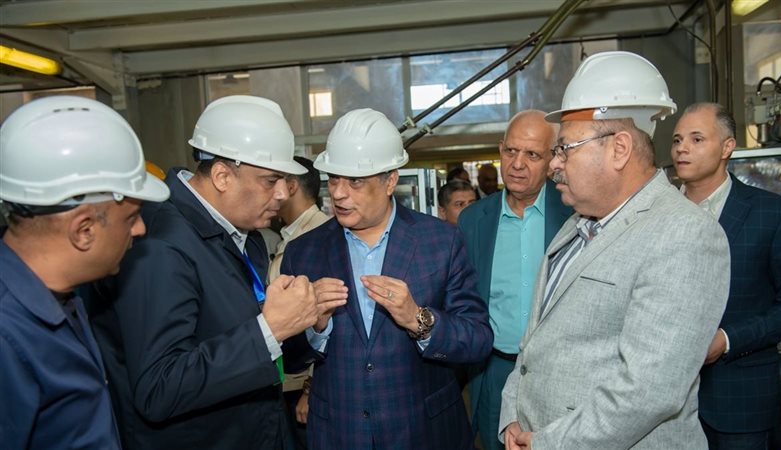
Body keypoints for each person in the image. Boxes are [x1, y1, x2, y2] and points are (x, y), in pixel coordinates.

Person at [499, 51, 730, 449]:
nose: (554, 164)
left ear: (619, 148)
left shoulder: (684, 234)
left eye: (566, 148)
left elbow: (648, 390)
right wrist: (512, 419)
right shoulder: (576, 223)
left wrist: (545, 443)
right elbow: (532, 345)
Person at [88, 95, 339, 449]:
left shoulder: (247, 236)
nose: (283, 193)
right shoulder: (161, 246)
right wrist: (270, 329)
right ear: (222, 176)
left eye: (284, 180)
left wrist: (308, 324)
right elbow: (159, 388)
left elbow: (252, 350)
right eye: (271, 180)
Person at [281, 108, 493, 450]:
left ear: (390, 181)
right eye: (333, 179)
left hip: (424, 433)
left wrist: (418, 319)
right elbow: (289, 357)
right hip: (340, 434)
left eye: (355, 181)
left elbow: (478, 338)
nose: (338, 193)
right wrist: (315, 328)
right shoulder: (304, 252)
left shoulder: (440, 242)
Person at [0, 96, 170, 449]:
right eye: (131, 217)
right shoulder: (9, 337)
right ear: (84, 230)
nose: (140, 229)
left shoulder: (63, 299)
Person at [671, 102, 781, 449]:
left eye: (697, 139)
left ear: (727, 146)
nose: (682, 148)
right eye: (677, 140)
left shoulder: (773, 214)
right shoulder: (654, 214)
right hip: (664, 405)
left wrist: (728, 340)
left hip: (740, 403)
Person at [457, 109, 572, 450]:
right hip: (494, 369)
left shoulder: (575, 213)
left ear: (553, 159)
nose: (517, 164)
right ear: (500, 149)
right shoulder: (473, 220)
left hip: (558, 373)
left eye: (532, 154)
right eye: (511, 151)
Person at [268, 156, 331, 450]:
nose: (271, 192)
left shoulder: (319, 238)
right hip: (287, 377)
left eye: (273, 181)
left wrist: (310, 389)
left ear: (291, 186)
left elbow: (329, 320)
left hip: (304, 385)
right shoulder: (289, 234)